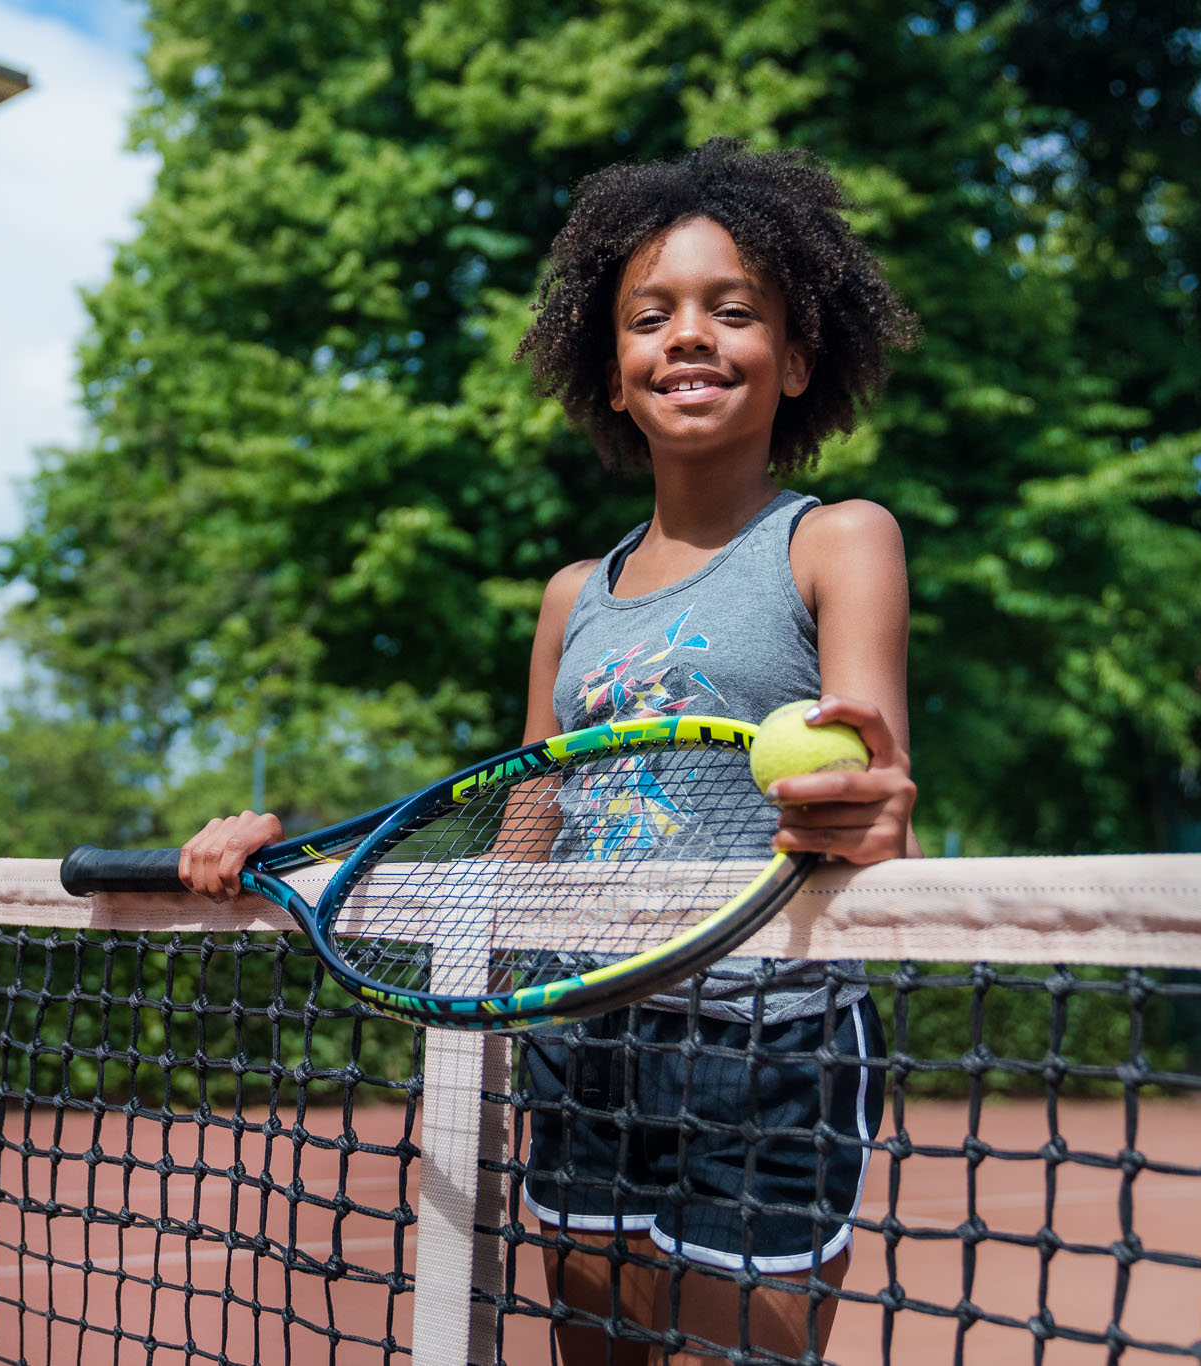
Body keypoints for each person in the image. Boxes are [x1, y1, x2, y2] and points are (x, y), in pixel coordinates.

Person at [179, 140, 920, 1363]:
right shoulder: (573, 595)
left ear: (794, 360)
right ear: (612, 374)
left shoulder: (840, 540)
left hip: (766, 1030)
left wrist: (865, 809)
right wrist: (297, 858)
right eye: (650, 316)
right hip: (583, 1035)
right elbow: (518, 819)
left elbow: (870, 776)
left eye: (732, 311)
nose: (689, 335)